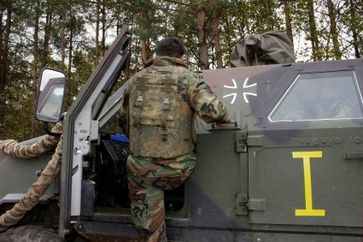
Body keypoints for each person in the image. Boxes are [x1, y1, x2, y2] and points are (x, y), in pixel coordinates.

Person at [120, 37, 230, 242]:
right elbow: (216, 112)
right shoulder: (189, 78)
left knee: (148, 223)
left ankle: (152, 232)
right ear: (181, 57)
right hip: (179, 168)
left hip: (142, 169)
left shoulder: (135, 80)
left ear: (156, 55)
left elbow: (122, 118)